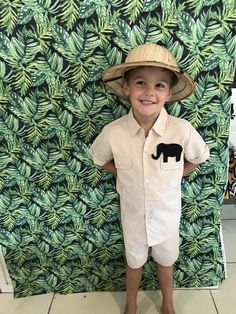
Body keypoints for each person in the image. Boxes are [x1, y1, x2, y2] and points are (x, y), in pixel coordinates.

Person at [90, 43, 210, 314]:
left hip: (167, 217)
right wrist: (123, 173)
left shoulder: (181, 131)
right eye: (141, 82)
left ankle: (168, 303)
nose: (149, 92)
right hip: (132, 216)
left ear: (168, 93)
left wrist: (177, 173)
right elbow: (100, 158)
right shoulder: (114, 133)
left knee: (166, 260)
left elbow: (198, 157)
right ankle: (130, 304)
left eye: (159, 85)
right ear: (127, 88)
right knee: (134, 262)